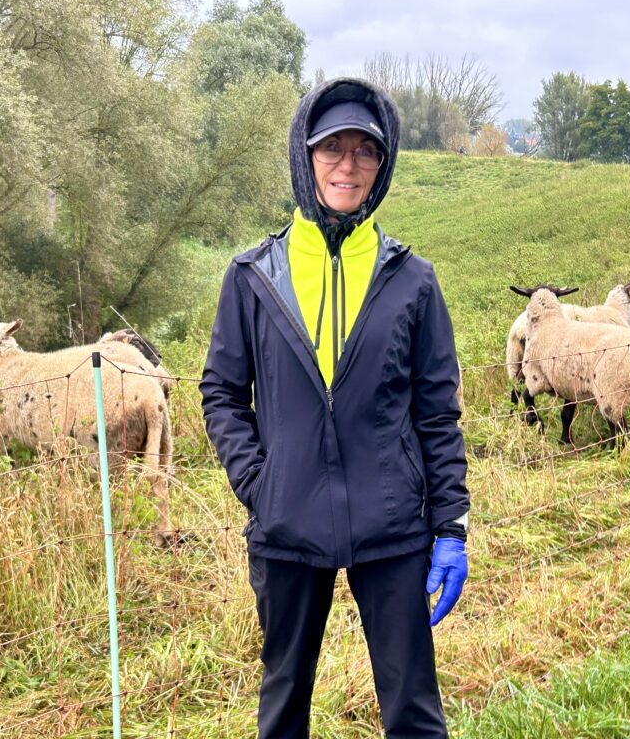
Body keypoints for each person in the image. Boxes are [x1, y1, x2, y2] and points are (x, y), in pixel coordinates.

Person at [200, 77, 470, 739]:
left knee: (412, 709)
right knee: (284, 702)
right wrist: (261, 486)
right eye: (331, 149)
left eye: (365, 151)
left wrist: (451, 525)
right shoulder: (253, 276)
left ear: (383, 164)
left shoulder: (413, 281)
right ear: (305, 156)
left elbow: (437, 411)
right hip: (286, 525)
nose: (348, 165)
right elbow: (222, 392)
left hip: (392, 524)